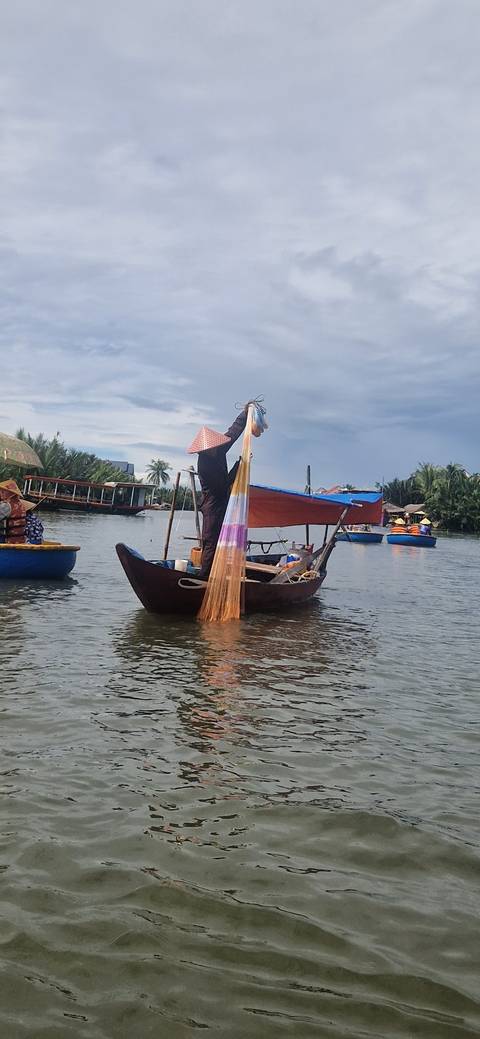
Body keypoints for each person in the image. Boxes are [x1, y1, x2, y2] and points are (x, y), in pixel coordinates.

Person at [188, 404, 252, 580]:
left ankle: (215, 572)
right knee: (210, 541)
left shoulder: (219, 448)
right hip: (212, 504)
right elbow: (222, 485)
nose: (216, 449)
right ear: (205, 450)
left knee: (221, 540)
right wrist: (240, 465)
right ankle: (204, 577)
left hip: (222, 502)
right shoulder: (205, 465)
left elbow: (233, 432)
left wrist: (245, 413)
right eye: (212, 448)